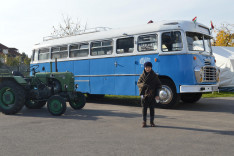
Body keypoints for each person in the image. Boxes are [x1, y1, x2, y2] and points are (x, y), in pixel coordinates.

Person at [137, 62, 162, 127]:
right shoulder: (142, 75)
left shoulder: (154, 76)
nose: (147, 69)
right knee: (144, 109)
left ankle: (152, 122)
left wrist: (157, 95)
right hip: (144, 95)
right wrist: (143, 85)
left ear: (151, 68)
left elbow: (159, 85)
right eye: (146, 67)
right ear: (144, 68)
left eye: (149, 67)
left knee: (152, 109)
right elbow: (138, 83)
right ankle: (144, 121)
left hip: (152, 94)